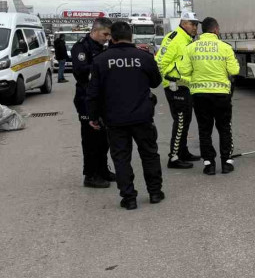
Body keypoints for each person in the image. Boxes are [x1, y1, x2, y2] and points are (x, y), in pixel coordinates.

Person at [85, 22, 164, 210]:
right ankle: (154, 192)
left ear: (112, 37)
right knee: (149, 154)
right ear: (131, 37)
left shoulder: (101, 60)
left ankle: (128, 198)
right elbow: (156, 82)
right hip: (142, 117)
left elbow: (93, 92)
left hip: (114, 118)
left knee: (121, 158)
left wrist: (93, 116)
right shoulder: (144, 57)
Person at [177, 17, 239, 175]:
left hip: (199, 95)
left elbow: (183, 71)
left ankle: (209, 164)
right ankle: (226, 163)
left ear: (201, 30)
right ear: (216, 30)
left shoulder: (191, 47)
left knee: (204, 130)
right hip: (221, 95)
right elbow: (234, 71)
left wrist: (197, 78)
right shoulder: (225, 47)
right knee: (224, 128)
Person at [155, 11, 201, 169]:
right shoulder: (174, 38)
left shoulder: (187, 39)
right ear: (183, 23)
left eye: (196, 24)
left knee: (186, 121)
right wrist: (170, 80)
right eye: (192, 23)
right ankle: (173, 158)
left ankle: (183, 151)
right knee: (181, 121)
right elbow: (159, 62)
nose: (195, 27)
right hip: (175, 86)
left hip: (185, 85)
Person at [72, 17, 114, 188]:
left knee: (103, 139)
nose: (107, 38)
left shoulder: (102, 48)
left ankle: (102, 169)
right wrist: (101, 68)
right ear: (95, 30)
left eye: (109, 35)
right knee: (90, 139)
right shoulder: (81, 47)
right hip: (86, 100)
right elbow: (81, 73)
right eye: (105, 34)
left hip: (102, 99)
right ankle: (90, 175)